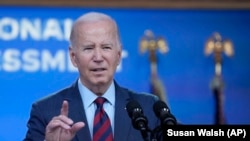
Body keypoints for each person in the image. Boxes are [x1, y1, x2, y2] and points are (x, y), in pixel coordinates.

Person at [23, 11, 163, 141]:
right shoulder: (45, 111)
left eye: (106, 47)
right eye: (88, 48)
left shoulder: (149, 107)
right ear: (73, 57)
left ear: (119, 55)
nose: (98, 57)